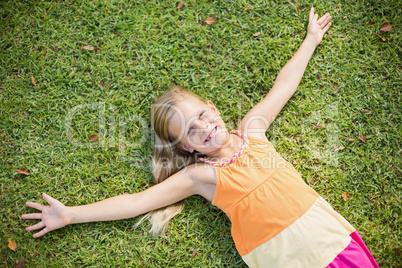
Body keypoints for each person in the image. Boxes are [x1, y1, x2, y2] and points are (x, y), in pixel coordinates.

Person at [22, 7, 379, 267]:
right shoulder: (201, 176)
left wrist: (311, 41)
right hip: (281, 256)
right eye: (192, 130)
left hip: (328, 237)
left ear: (213, 106)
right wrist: (70, 214)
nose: (205, 127)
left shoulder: (252, 131)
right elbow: (136, 202)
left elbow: (282, 86)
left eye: (203, 115)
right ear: (185, 147)